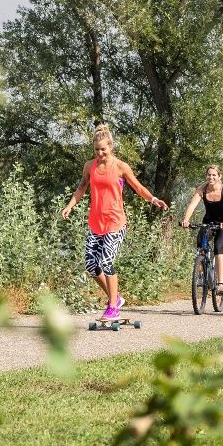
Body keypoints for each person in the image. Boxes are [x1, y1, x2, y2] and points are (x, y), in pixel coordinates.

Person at [61, 123, 169, 320]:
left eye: (104, 149)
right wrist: (70, 206)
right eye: (97, 149)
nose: (100, 153)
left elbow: (137, 187)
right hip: (96, 223)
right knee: (92, 265)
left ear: (111, 146)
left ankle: (113, 307)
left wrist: (153, 199)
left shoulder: (120, 167)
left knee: (107, 261)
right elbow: (81, 189)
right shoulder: (89, 166)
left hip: (116, 222)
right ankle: (116, 298)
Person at [180, 165, 223, 294]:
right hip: (208, 223)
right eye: (209, 175)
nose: (211, 177)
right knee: (201, 245)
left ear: (219, 176)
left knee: (218, 248)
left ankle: (221, 284)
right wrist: (186, 220)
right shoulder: (202, 189)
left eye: (214, 175)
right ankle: (200, 276)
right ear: (206, 176)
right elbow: (192, 205)